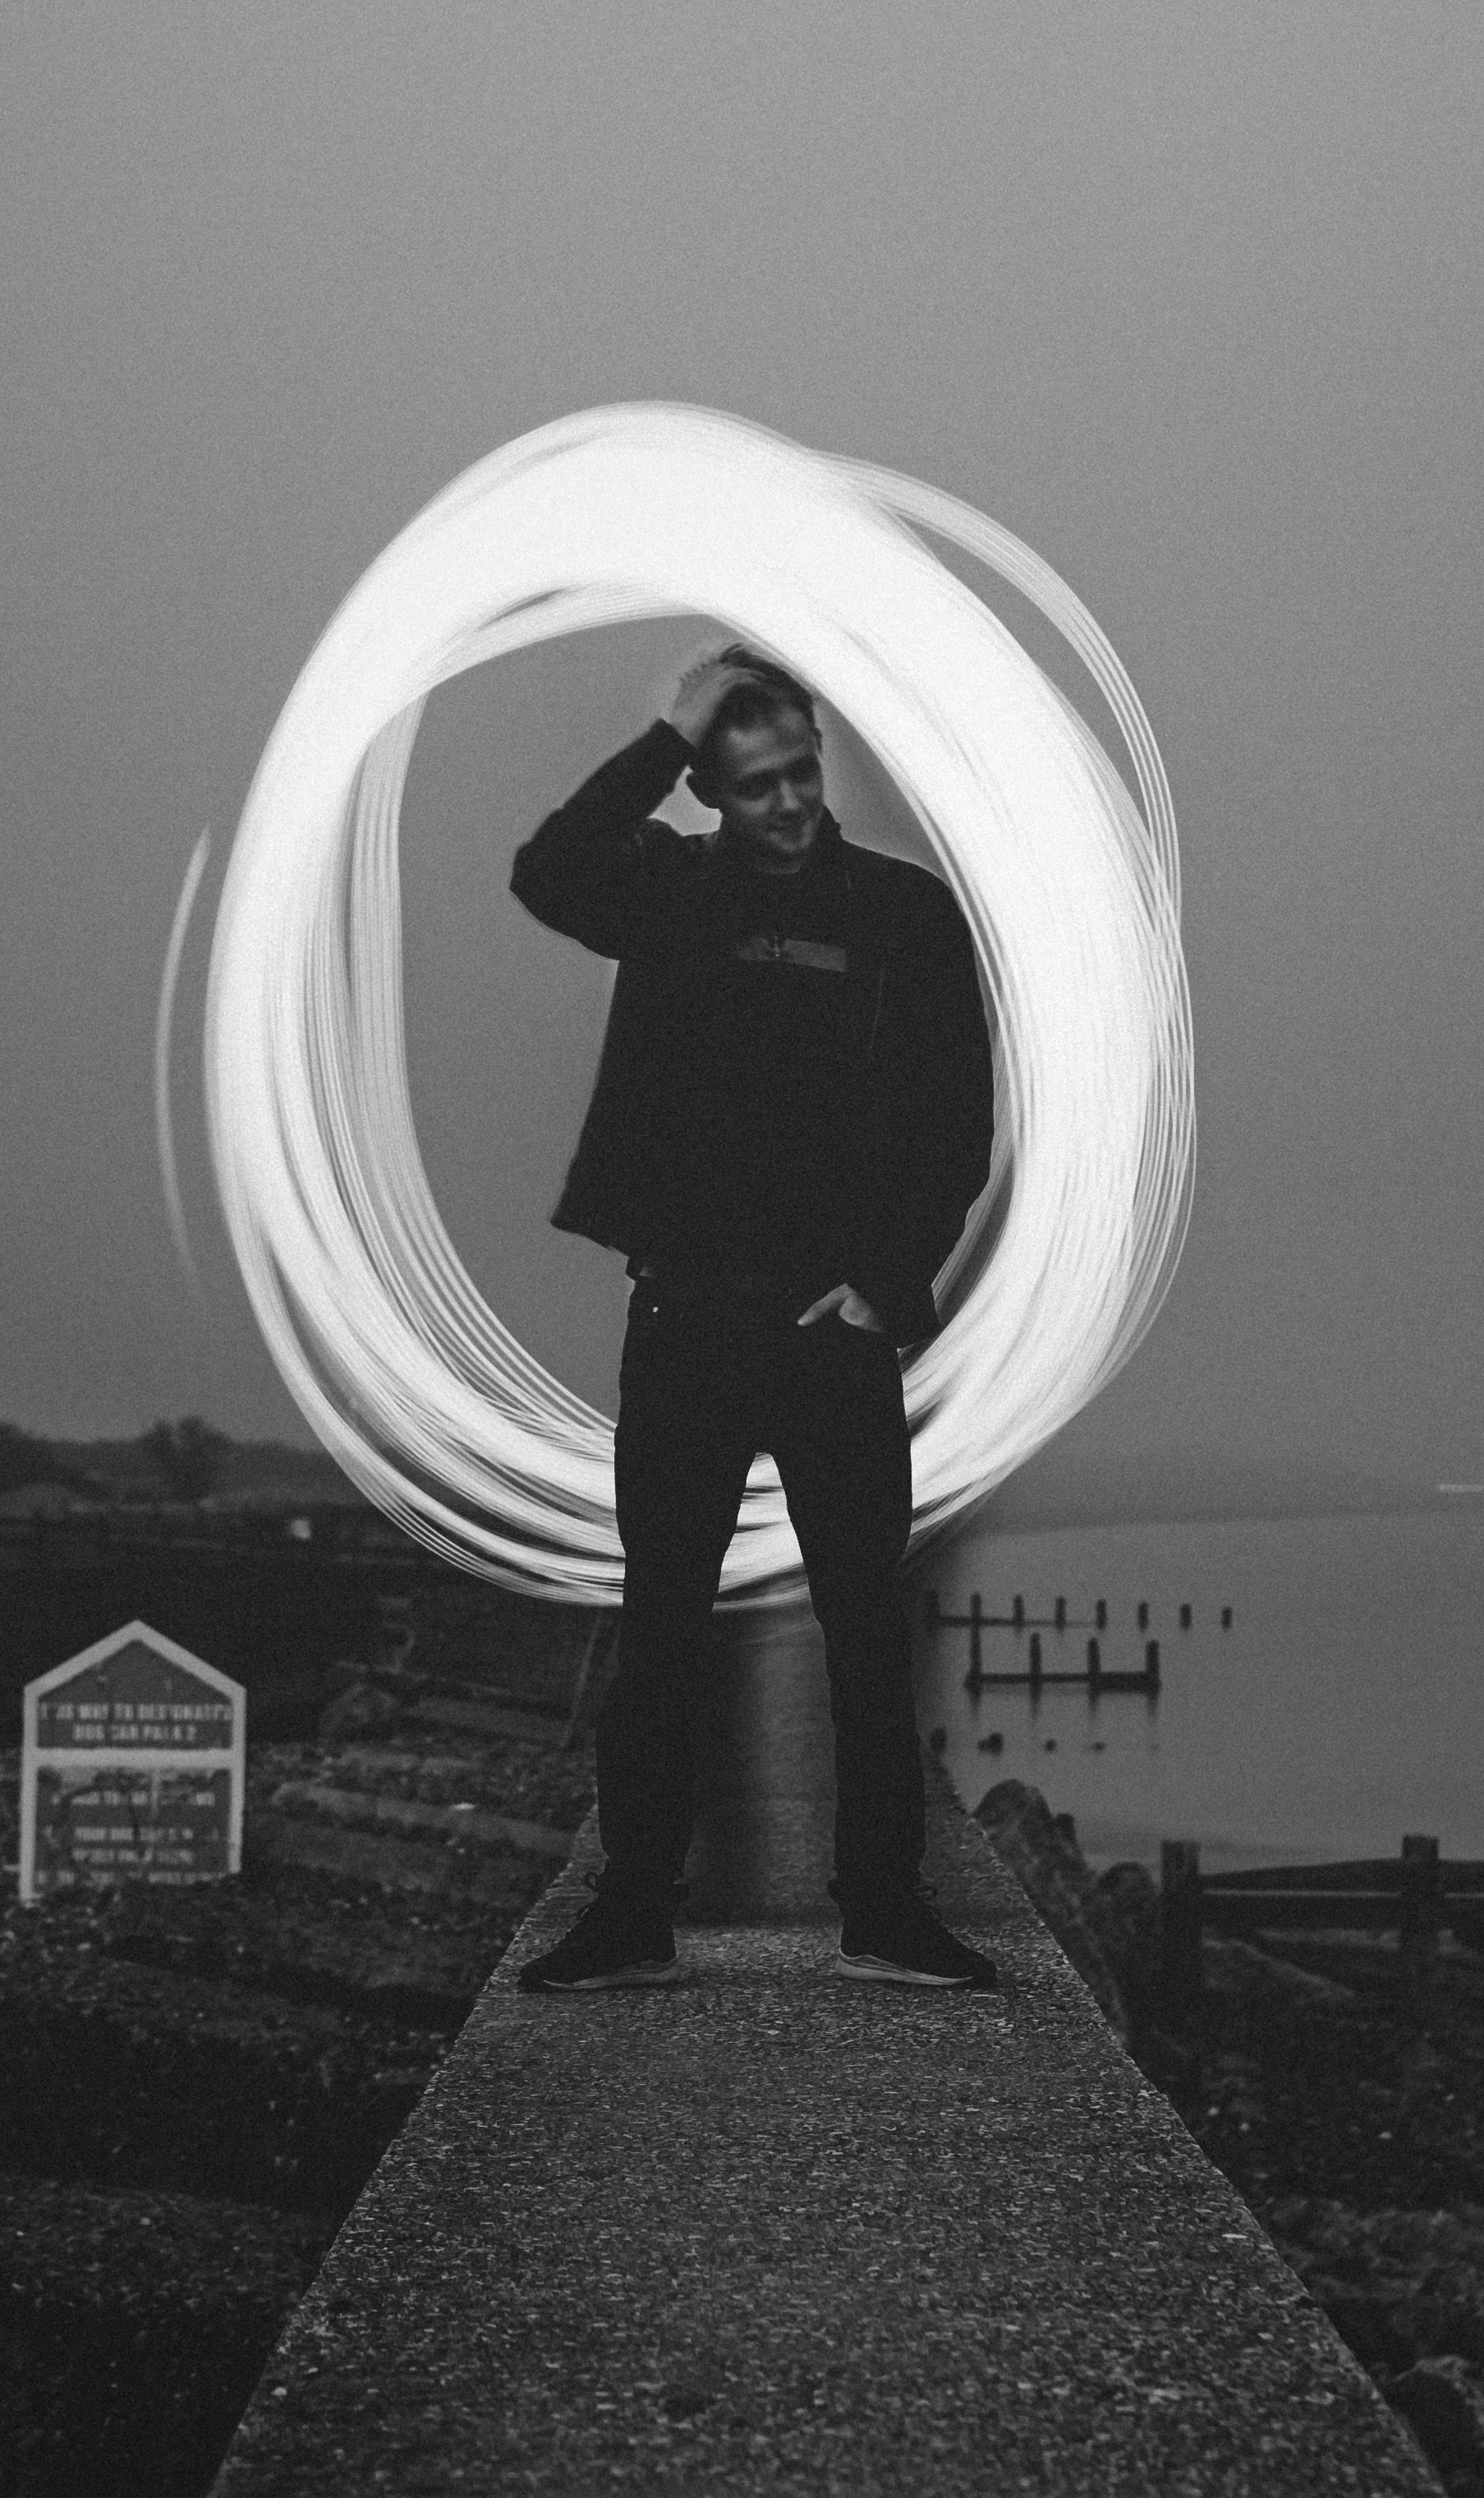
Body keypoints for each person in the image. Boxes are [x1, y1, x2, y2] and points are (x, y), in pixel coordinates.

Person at [503, 639, 1003, 1993]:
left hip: (826, 1330)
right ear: (710, 793)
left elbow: (961, 1117)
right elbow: (545, 870)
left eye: (800, 772)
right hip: (682, 1315)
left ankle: (888, 1911)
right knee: (662, 1618)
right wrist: (667, 733)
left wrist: (890, 1284)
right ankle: (631, 1912)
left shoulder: (899, 913)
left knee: (862, 1624)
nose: (785, 803)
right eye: (753, 782)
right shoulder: (667, 889)